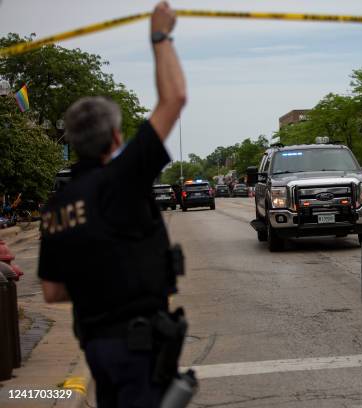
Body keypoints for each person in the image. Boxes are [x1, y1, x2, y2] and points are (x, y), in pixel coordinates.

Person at [37, 2, 187, 407]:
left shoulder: (55, 207)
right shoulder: (122, 180)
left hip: (95, 344)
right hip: (137, 345)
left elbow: (51, 291)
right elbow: (174, 98)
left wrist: (97, 289)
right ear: (117, 139)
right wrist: (161, 36)